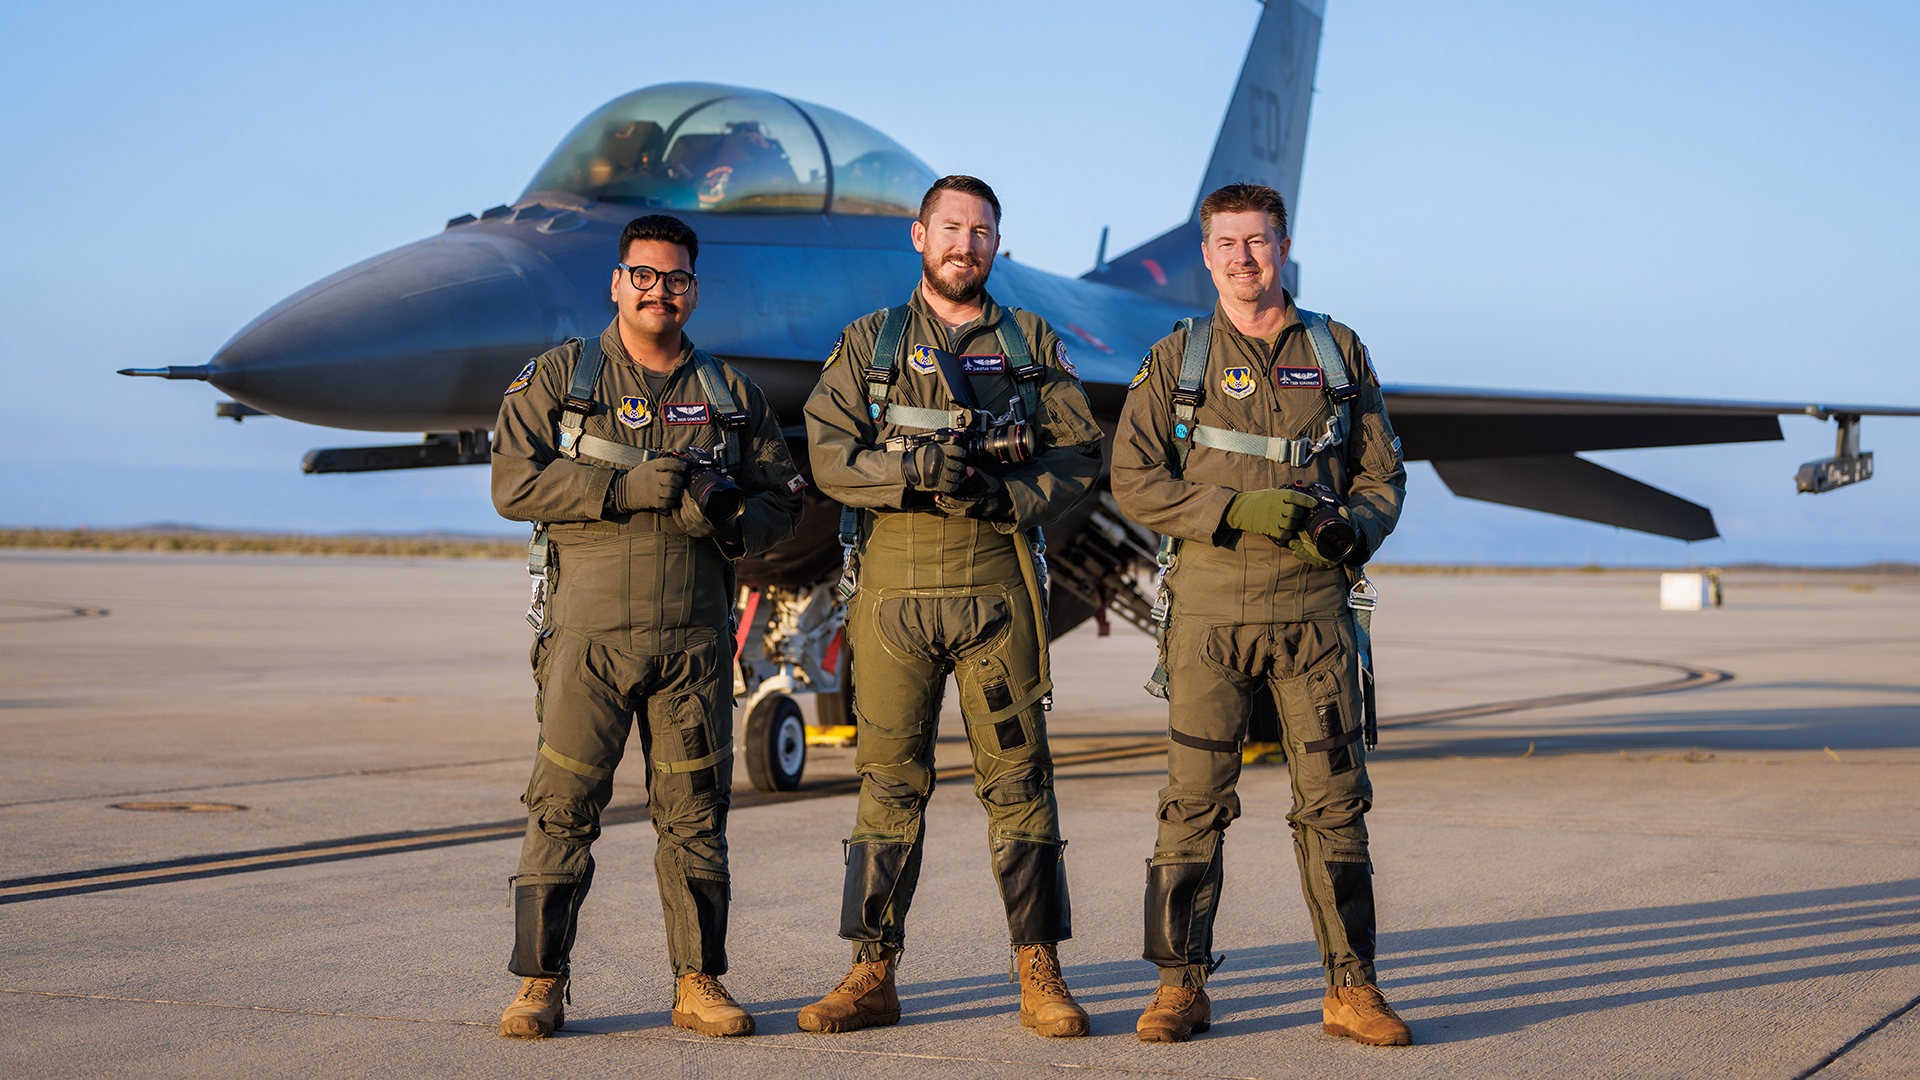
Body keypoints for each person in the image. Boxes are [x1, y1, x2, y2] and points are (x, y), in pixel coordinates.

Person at [799, 175, 1104, 1037]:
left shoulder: (1033, 343)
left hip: (996, 581)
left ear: (995, 246)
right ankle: (871, 971)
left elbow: (1082, 453)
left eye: (982, 232)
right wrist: (909, 472)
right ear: (918, 235)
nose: (965, 245)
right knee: (886, 783)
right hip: (894, 592)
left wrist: (1011, 498)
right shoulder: (868, 345)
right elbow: (828, 457)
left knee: (1019, 780)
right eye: (951, 228)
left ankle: (1039, 971)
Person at [1111, 183, 1412, 1046]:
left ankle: (1352, 988)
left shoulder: (1337, 350)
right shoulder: (1179, 360)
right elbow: (1134, 477)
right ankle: (1179, 987)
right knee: (1193, 803)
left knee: (1335, 804)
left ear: (1283, 246)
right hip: (1210, 612)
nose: (1245, 258)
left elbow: (1382, 476)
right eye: (1228, 244)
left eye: (1259, 242)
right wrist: (1227, 513)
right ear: (1206, 255)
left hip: (1314, 613)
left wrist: (1353, 529)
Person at [490, 214, 804, 1040]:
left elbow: (780, 503)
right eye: (645, 276)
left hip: (694, 645)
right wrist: (626, 491)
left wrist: (729, 525)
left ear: (694, 289)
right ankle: (539, 984)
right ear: (617, 280)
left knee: (697, 815)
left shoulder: (733, 396)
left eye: (676, 280)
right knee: (560, 809)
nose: (660, 292)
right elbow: (515, 486)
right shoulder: (559, 379)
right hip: (588, 642)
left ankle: (699, 983)